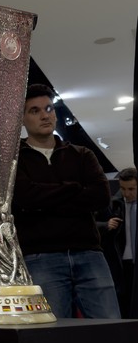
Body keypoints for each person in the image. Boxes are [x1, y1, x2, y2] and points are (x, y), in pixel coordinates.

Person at [12, 83, 120, 319]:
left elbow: (100, 197)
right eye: (35, 110)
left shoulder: (82, 154)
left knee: (111, 330)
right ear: (21, 118)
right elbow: (25, 198)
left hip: (89, 253)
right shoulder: (14, 159)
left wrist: (46, 198)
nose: (45, 115)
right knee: (53, 336)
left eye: (49, 108)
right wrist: (73, 188)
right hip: (40, 257)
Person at [97, 167, 138, 317]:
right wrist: (105, 225)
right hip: (122, 262)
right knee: (124, 301)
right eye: (123, 189)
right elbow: (92, 223)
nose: (127, 193)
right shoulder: (114, 206)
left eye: (131, 189)